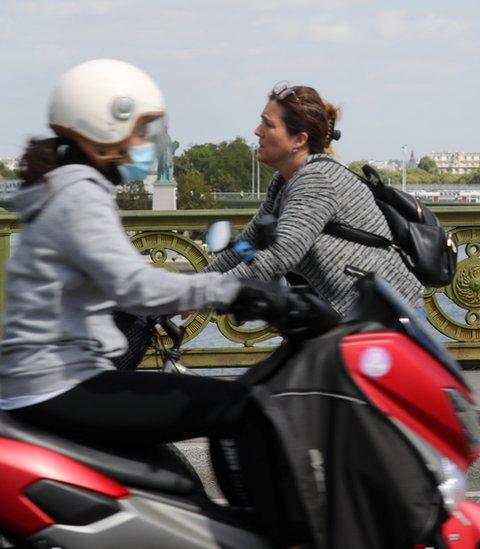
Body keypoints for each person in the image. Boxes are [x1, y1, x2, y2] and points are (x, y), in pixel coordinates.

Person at [0, 59, 303, 544]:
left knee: (182, 471)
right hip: (60, 383)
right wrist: (232, 290)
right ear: (104, 129)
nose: (144, 146)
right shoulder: (80, 195)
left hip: (42, 380)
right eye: (139, 132)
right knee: (244, 406)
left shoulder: (61, 187)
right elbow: (136, 287)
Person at [204, 82, 424, 313]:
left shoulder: (317, 179)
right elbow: (250, 241)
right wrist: (196, 284)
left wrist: (202, 294)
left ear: (299, 140)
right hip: (352, 316)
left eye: (268, 125)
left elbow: (279, 257)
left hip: (388, 316)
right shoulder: (283, 182)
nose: (257, 131)